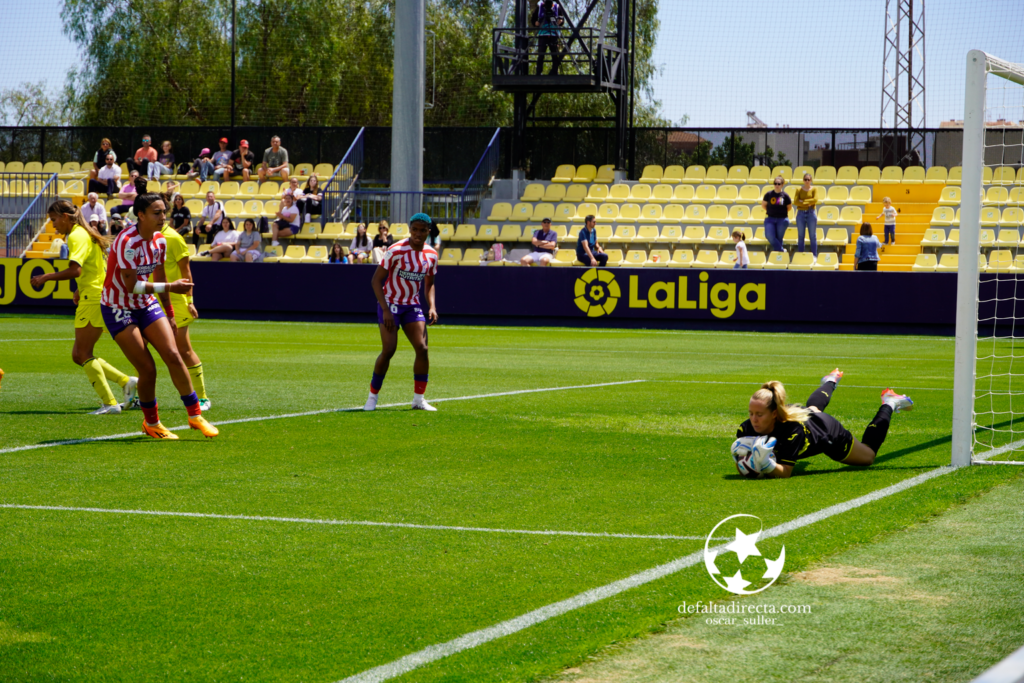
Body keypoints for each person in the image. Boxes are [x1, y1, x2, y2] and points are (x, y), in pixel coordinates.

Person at [100, 191, 218, 439]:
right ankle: (151, 423)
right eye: (157, 213)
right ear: (140, 215)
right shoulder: (126, 242)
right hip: (118, 307)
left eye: (164, 212)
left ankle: (196, 415)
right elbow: (133, 286)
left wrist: (170, 311)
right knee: (148, 369)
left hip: (145, 303)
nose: (163, 217)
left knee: (174, 355)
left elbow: (160, 276)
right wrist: (173, 288)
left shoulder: (160, 241)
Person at [29, 199, 138, 414]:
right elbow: (95, 268)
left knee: (82, 353)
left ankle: (110, 403)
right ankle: (125, 382)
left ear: (65, 217)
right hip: (95, 294)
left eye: (54, 219)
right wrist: (80, 289)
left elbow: (76, 270)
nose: (53, 225)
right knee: (79, 354)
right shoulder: (84, 233)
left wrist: (47, 277)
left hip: (94, 298)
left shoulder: (76, 235)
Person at [733, 370, 913, 479]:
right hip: (807, 418)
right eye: (751, 413)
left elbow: (786, 471)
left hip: (826, 433)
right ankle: (830, 380)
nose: (753, 419)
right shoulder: (745, 429)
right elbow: (744, 463)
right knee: (812, 408)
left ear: (773, 414)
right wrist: (743, 464)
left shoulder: (791, 431)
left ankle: (889, 402)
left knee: (868, 457)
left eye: (759, 414)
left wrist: (766, 465)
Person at [366, 212, 439, 412]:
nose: (417, 233)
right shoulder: (396, 250)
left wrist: (431, 306)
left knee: (422, 349)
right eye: (414, 229)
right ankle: (372, 397)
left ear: (428, 232)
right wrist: (385, 310)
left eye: (422, 230)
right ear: (410, 229)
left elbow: (429, 284)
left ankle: (418, 400)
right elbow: (375, 281)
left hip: (412, 305)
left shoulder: (431, 254)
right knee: (389, 350)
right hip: (390, 304)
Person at [158, 197, 212, 412]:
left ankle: (202, 397)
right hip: (150, 299)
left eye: (160, 211)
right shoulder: (142, 237)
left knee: (183, 348)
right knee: (141, 349)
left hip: (175, 300)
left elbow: (186, 272)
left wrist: (190, 301)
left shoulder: (173, 238)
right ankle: (139, 395)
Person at [532, 0, 564, 75]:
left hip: (554, 34)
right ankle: (539, 72)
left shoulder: (557, 7)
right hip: (542, 34)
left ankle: (555, 71)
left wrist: (560, 21)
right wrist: (535, 23)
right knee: (541, 54)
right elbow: (533, 19)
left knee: (555, 54)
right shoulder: (540, 7)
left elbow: (562, 19)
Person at [762, 176, 792, 252]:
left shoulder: (785, 195)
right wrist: (771, 211)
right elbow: (764, 205)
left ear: (782, 184)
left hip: (782, 219)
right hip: (770, 218)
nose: (777, 185)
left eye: (779, 183)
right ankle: (781, 250)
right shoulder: (768, 194)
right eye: (775, 183)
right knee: (769, 236)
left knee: (779, 238)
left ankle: (778, 258)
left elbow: (789, 207)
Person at [793, 172, 819, 255]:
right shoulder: (799, 189)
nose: (807, 181)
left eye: (808, 179)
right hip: (800, 214)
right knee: (801, 236)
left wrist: (802, 202)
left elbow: (815, 200)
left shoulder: (814, 189)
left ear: (811, 180)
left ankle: (814, 256)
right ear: (803, 180)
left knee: (813, 236)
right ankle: (801, 255)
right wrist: (808, 202)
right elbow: (796, 201)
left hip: (811, 212)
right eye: (805, 179)